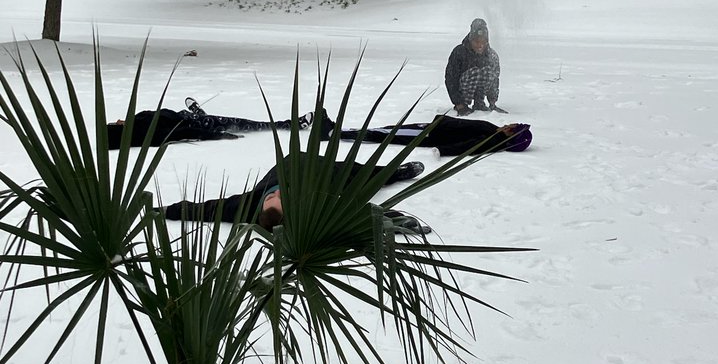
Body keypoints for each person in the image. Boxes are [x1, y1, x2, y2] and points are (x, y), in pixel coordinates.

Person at [163, 153, 427, 230]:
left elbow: (207, 209)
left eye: (270, 198)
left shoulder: (247, 204)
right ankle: (395, 173)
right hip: (319, 174)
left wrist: (165, 211)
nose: (274, 195)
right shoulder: (308, 205)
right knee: (358, 174)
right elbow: (353, 214)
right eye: (278, 200)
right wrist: (397, 220)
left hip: (294, 160)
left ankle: (392, 171)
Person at [106, 98, 310, 149]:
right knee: (245, 124)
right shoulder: (147, 135)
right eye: (117, 126)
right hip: (198, 124)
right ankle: (288, 125)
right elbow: (183, 133)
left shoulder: (134, 123)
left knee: (209, 118)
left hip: (184, 115)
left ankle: (199, 111)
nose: (118, 122)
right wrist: (219, 135)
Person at [333, 114, 531, 156]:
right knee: (388, 129)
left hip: (429, 135)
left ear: (510, 133)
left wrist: (443, 150)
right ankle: (342, 130)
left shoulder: (492, 139)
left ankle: (335, 132)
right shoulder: (494, 131)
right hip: (432, 127)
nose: (510, 123)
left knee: (385, 134)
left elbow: (469, 147)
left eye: (513, 126)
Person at [444, 18, 501, 116]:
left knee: (489, 71)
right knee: (475, 72)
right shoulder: (459, 52)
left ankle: (479, 102)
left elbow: (495, 79)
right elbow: (450, 79)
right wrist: (458, 103)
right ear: (471, 39)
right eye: (476, 42)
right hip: (463, 90)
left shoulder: (491, 55)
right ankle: (463, 104)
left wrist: (492, 101)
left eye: (483, 42)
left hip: (481, 90)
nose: (480, 45)